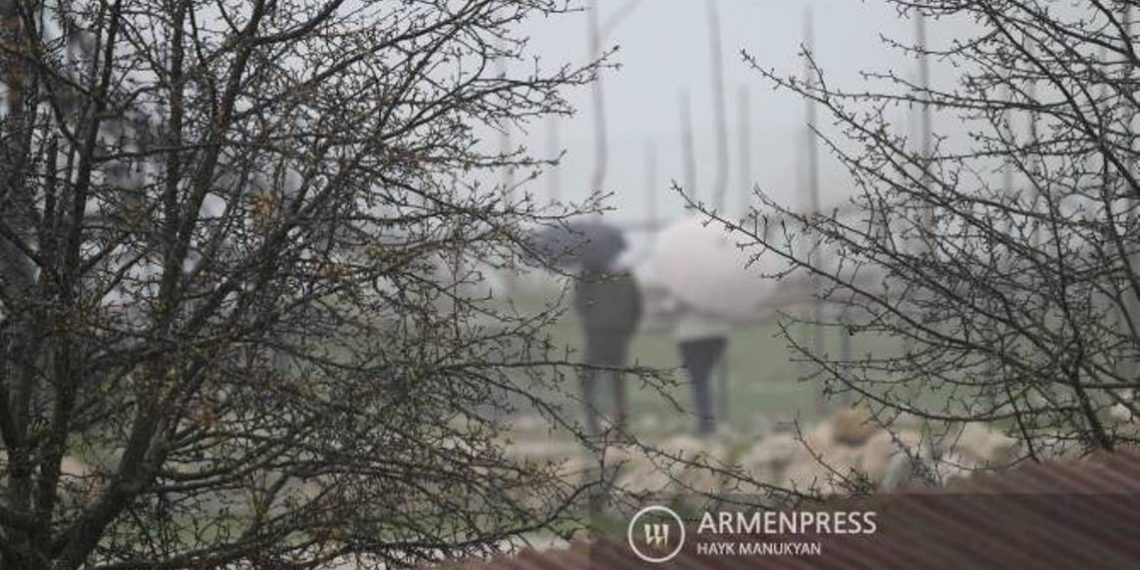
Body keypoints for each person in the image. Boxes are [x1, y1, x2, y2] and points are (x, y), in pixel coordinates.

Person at [573, 267, 642, 437]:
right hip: (618, 336)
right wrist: (627, 330)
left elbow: (579, 305)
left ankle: (593, 427)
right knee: (618, 384)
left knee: (588, 383)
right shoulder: (626, 276)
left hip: (596, 335)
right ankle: (620, 428)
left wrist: (590, 322)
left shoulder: (588, 275)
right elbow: (637, 308)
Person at [672, 304, 731, 436]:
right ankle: (709, 419)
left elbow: (671, 308)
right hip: (718, 334)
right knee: (704, 379)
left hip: (691, 336)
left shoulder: (685, 288)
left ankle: (705, 423)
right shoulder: (718, 290)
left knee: (699, 381)